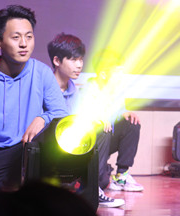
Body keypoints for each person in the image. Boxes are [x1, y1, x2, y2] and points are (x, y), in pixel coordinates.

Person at [0, 5, 67, 194]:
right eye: (16, 37)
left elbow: (61, 113)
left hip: (29, 149)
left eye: (29, 37)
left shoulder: (41, 72)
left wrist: (43, 118)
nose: (24, 44)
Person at [47, 33, 125, 208]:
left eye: (81, 59)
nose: (79, 65)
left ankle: (93, 188)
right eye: (73, 59)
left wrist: (95, 119)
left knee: (100, 128)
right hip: (48, 145)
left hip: (70, 143)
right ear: (57, 61)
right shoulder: (45, 86)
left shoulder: (75, 91)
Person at [86, 48, 144, 193]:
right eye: (118, 73)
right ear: (103, 74)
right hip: (93, 141)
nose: (121, 77)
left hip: (109, 136)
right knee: (101, 182)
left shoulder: (116, 91)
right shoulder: (89, 89)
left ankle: (121, 175)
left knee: (131, 123)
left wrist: (125, 113)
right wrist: (96, 118)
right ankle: (99, 171)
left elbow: (119, 113)